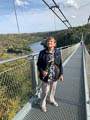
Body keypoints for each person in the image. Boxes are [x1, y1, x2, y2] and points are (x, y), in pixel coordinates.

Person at [37, 36, 63, 112]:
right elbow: (38, 64)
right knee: (45, 92)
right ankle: (43, 104)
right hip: (46, 77)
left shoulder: (58, 52)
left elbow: (60, 64)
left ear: (54, 43)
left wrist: (61, 74)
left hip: (55, 75)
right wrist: (42, 71)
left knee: (53, 90)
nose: (49, 42)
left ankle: (51, 100)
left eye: (51, 41)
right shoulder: (42, 53)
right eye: (48, 41)